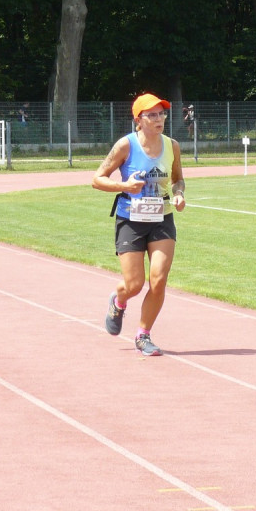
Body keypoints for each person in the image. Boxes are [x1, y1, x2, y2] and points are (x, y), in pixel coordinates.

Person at [92, 94, 186, 357]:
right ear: (138, 120)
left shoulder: (172, 146)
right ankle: (119, 300)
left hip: (162, 218)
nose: (159, 119)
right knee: (134, 284)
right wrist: (124, 186)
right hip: (130, 219)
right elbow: (97, 179)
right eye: (152, 115)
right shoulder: (125, 145)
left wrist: (179, 194)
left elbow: (178, 179)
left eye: (162, 114)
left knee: (158, 280)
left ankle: (143, 335)